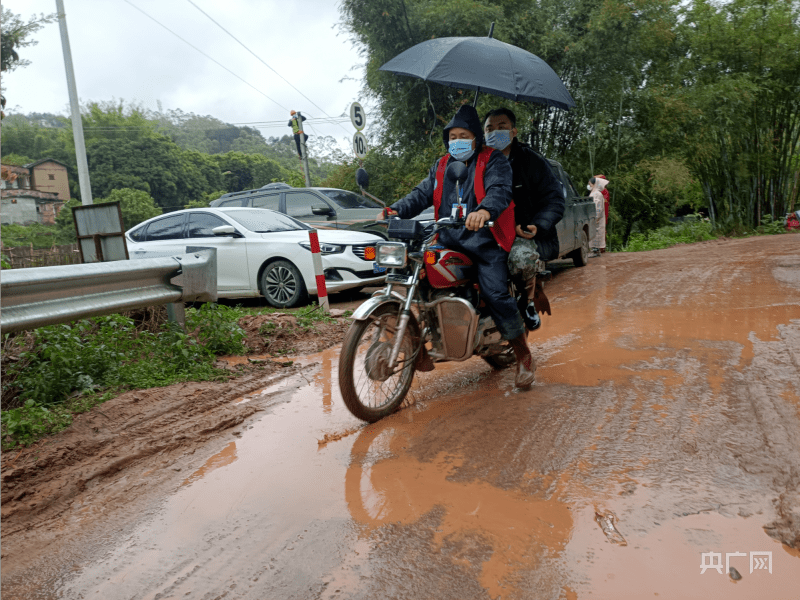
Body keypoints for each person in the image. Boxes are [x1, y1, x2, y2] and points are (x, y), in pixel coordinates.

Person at [379, 105, 535, 388]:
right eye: (452, 136)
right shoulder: (440, 166)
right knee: (421, 279)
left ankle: (523, 356)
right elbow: (421, 194)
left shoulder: (493, 161)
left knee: (496, 293)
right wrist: (395, 210)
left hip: (486, 241)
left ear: (476, 138)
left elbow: (499, 190)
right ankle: (421, 350)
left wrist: (484, 211)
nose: (457, 141)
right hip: (448, 239)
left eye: (463, 135)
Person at [483, 107, 565, 331]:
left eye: (502, 128)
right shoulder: (476, 163)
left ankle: (528, 298)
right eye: (489, 128)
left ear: (514, 131)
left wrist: (537, 225)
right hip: (486, 231)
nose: (494, 133)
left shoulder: (531, 162)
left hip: (520, 232)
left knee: (520, 259)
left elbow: (555, 199)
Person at [588, 175, 609, 255]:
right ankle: (595, 250)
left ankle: (595, 250)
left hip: (596, 218)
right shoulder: (595, 193)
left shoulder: (597, 194)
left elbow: (598, 207)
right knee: (595, 233)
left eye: (590, 184)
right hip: (595, 217)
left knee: (596, 233)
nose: (589, 185)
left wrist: (596, 217)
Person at [595, 173, 611, 250]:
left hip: (602, 213)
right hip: (598, 212)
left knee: (601, 228)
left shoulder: (605, 191)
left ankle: (601, 247)